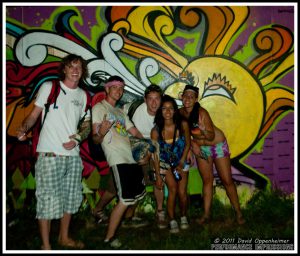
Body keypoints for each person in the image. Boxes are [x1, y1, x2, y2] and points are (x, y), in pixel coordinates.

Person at [16, 54, 91, 250]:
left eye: (79, 67)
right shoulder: (50, 87)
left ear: (82, 72)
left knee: (71, 198)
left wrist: (77, 139)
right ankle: (46, 245)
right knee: (47, 199)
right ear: (64, 69)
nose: (75, 70)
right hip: (50, 155)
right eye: (71, 66)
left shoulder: (83, 96)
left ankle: (64, 237)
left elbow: (87, 125)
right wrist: (24, 127)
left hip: (73, 157)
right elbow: (34, 115)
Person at [92, 75, 147, 248]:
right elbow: (95, 139)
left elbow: (134, 131)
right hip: (117, 159)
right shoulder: (99, 108)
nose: (118, 91)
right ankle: (109, 238)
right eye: (114, 87)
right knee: (125, 199)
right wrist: (101, 131)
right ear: (107, 89)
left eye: (121, 88)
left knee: (134, 193)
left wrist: (149, 145)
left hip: (130, 158)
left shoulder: (121, 111)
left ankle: (109, 216)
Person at [179, 84, 245, 225]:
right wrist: (192, 145)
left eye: (191, 97)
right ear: (181, 97)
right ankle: (206, 214)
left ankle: (238, 212)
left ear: (196, 99)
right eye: (185, 96)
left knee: (227, 180)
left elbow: (210, 137)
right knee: (207, 181)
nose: (188, 99)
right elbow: (180, 134)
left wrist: (202, 131)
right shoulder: (180, 113)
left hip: (217, 146)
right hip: (202, 150)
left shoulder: (202, 113)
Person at [122, 84, 167, 229]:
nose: (154, 103)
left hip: (156, 146)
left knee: (158, 176)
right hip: (134, 145)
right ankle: (128, 216)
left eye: (157, 99)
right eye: (150, 99)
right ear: (145, 99)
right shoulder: (133, 108)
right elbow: (115, 116)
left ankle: (160, 212)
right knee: (135, 180)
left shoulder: (165, 113)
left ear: (161, 100)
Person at [151, 95, 191, 233]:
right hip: (166, 163)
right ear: (160, 111)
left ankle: (184, 216)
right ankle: (172, 219)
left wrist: (181, 161)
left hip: (182, 160)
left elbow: (187, 144)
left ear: (175, 111)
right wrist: (157, 175)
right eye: (164, 108)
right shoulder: (156, 131)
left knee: (182, 192)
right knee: (172, 189)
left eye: (171, 108)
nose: (167, 111)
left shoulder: (183, 124)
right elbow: (155, 155)